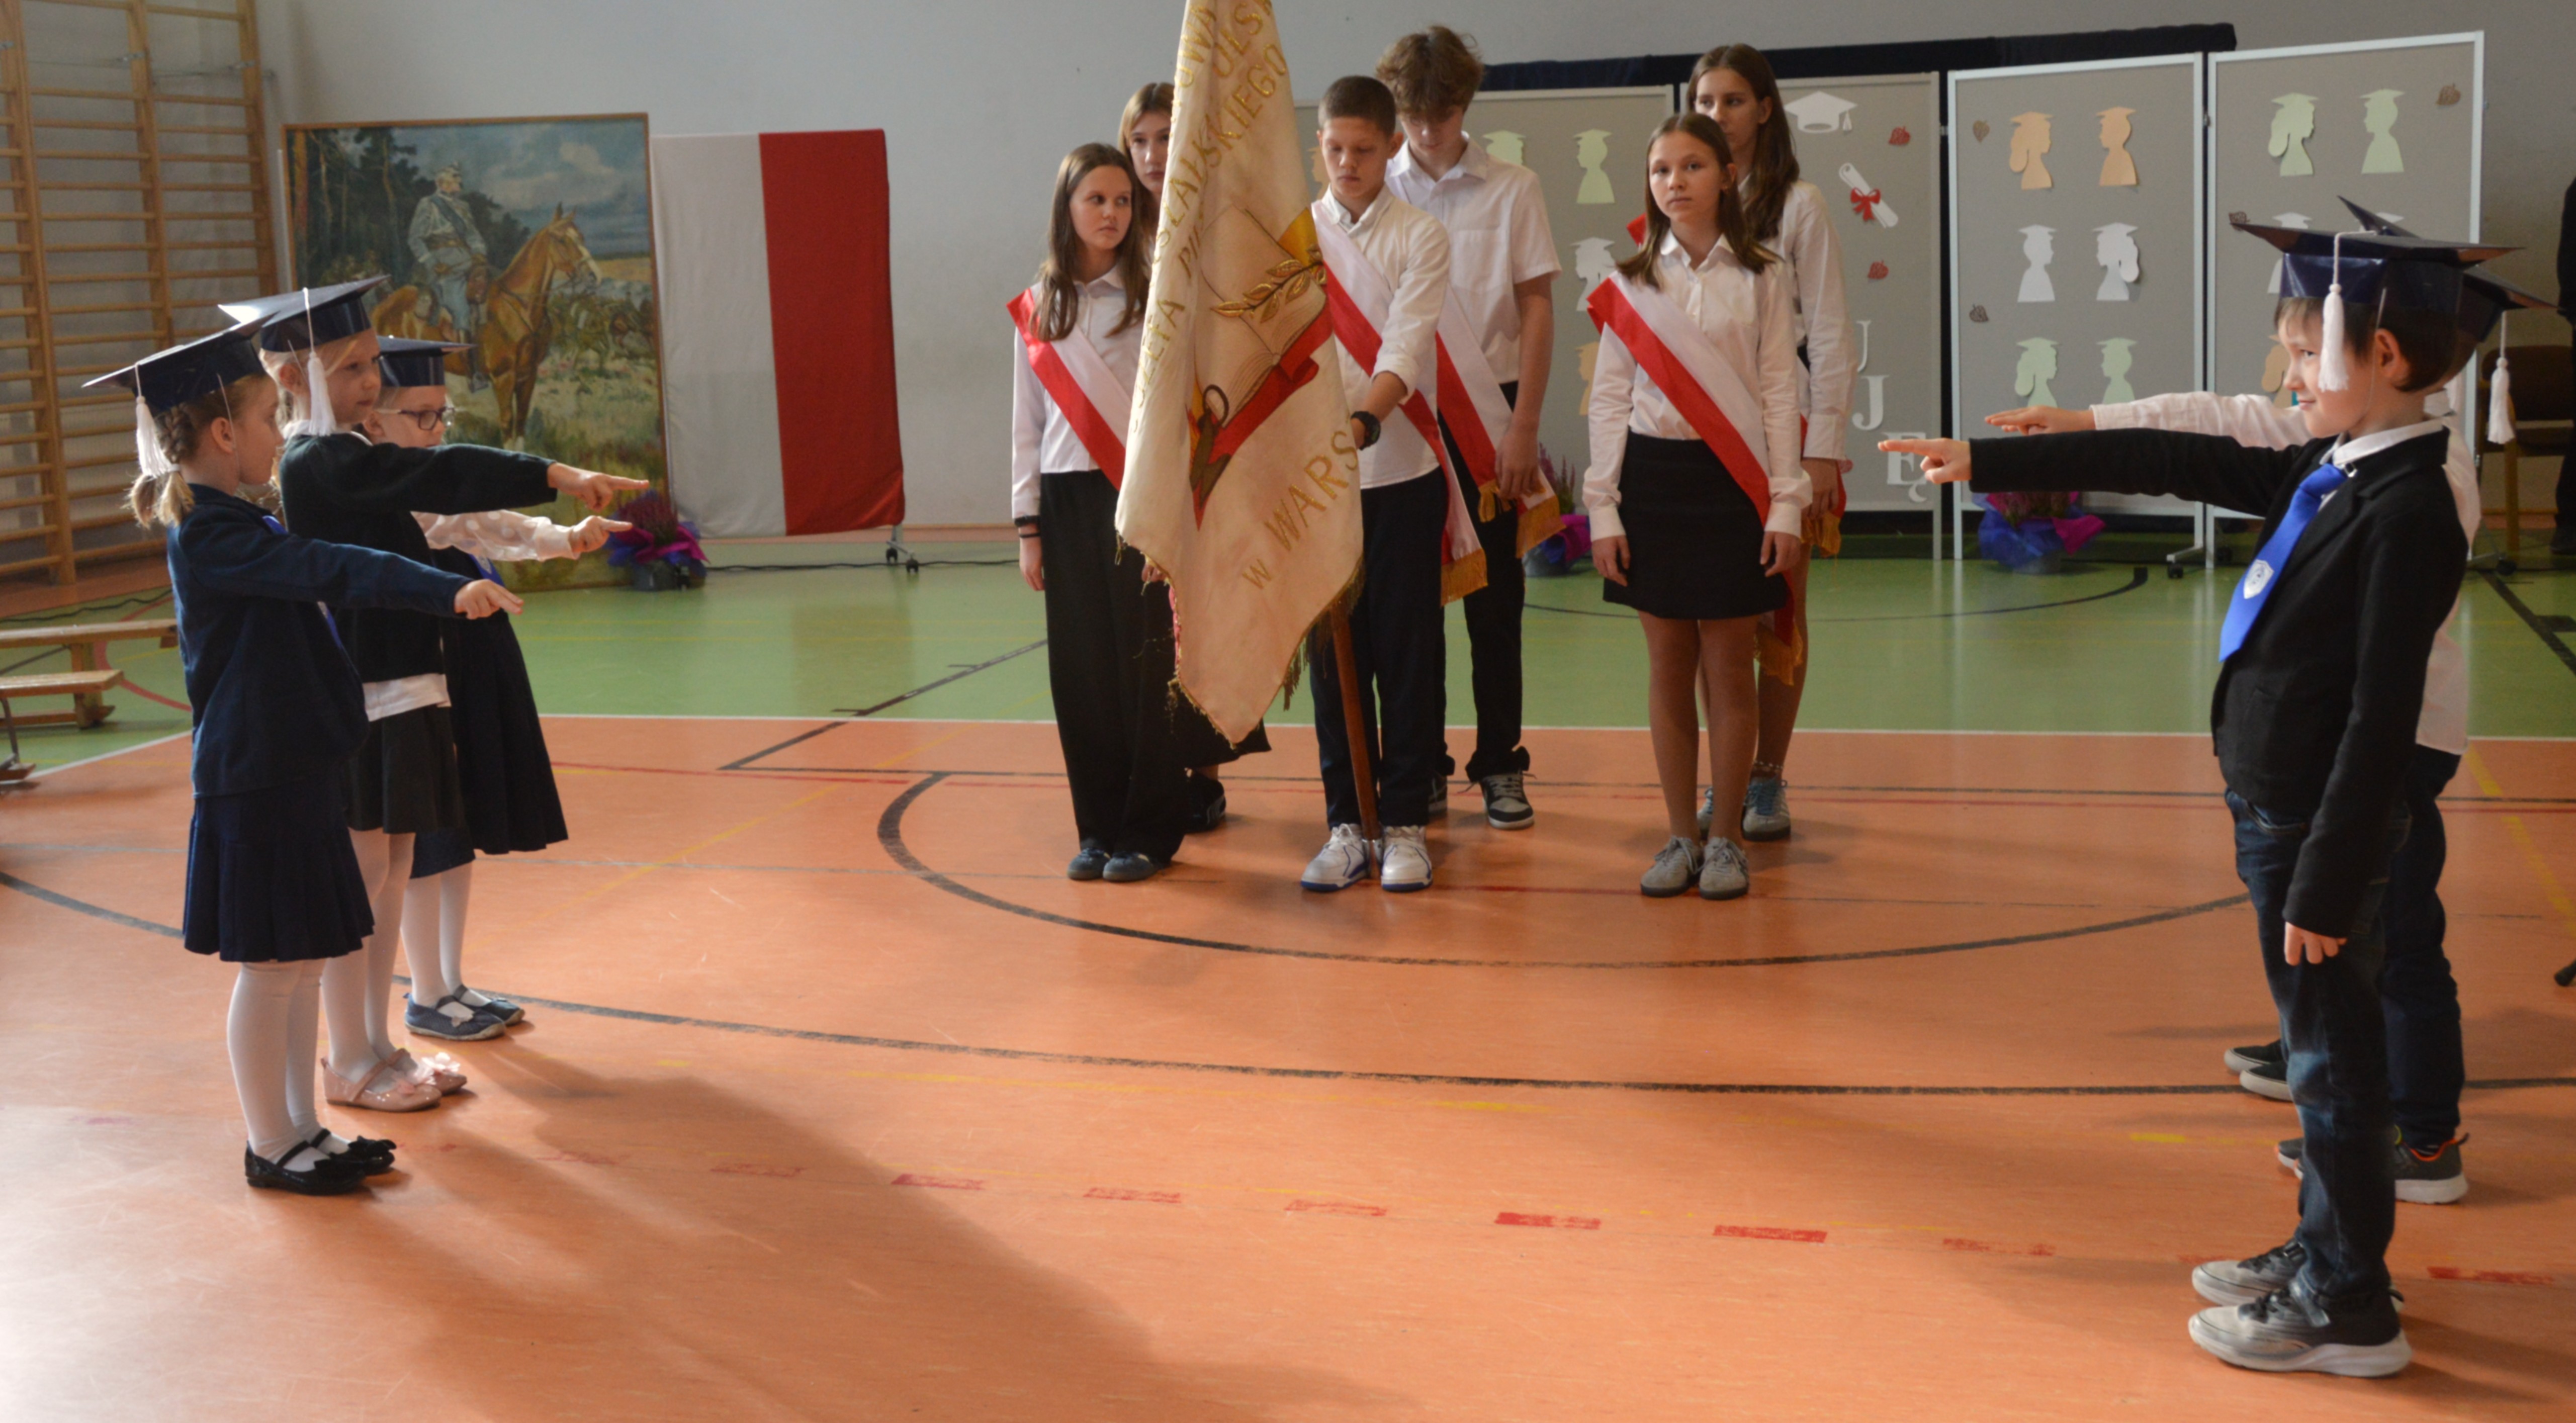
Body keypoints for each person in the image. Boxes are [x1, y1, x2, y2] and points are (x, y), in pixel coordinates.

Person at [1887, 219, 2541, 1377]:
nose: (2283, 376)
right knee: (2318, 1056)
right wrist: (1986, 461)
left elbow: (2380, 714)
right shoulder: (2339, 462)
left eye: (2299, 352)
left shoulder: (2407, 503)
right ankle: (2322, 1247)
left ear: (2381, 356)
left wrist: (2327, 877)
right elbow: (2182, 460)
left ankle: (2347, 1301)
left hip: (2311, 831)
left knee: (2332, 1065)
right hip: (2277, 809)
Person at [113, 319, 517, 1193]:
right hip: (254, 778)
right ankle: (272, 1142)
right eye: (269, 419)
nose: (279, 433)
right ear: (226, 434)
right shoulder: (213, 534)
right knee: (273, 972)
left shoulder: (237, 521)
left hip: (295, 770)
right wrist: (444, 588)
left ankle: (303, 1130)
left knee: (297, 966)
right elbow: (331, 565)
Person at [224, 278, 642, 1112]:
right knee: (365, 877)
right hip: (364, 694)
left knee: (394, 868)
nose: (370, 380)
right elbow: (443, 475)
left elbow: (446, 504)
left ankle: (380, 1045)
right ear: (296, 377)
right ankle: (349, 1056)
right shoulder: (319, 461)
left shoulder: (348, 452)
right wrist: (555, 472)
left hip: (409, 683)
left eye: (372, 362)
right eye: (351, 367)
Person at [364, 337, 627, 1045]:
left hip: (469, 649)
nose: (437, 429)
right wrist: (554, 533)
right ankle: (426, 990)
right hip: (421, 659)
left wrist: (563, 538)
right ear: (375, 421)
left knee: (460, 823)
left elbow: (480, 523)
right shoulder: (378, 489)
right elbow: (466, 517)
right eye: (421, 416)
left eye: (441, 413)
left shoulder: (427, 476)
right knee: (428, 834)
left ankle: (450, 980)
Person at [1584, 113, 1808, 901]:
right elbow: (1608, 400)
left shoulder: (1763, 276)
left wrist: (1785, 505)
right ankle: (1679, 833)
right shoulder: (1629, 284)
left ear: (1725, 176)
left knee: (1728, 668)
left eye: (1691, 166)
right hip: (1653, 483)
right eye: (1659, 170)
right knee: (1667, 667)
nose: (1673, 182)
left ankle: (1725, 842)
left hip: (1733, 487)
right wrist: (1602, 508)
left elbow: (1780, 394)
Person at [1009, 144, 1221, 882]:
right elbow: (1026, 424)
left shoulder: (1154, 295)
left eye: (1123, 201)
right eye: (1095, 200)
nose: (1110, 213)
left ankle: (1148, 832)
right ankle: (1097, 828)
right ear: (1066, 208)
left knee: (1145, 669)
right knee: (1083, 675)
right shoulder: (1038, 305)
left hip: (1139, 496)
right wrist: (1027, 526)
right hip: (1066, 503)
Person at [1379, 24, 1560, 831]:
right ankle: (1419, 763)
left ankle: (1499, 761)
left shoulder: (1512, 187)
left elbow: (1535, 306)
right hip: (1404, 415)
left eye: (1442, 113)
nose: (1427, 130)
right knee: (1412, 607)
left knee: (1495, 603)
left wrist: (1524, 427)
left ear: (1467, 103)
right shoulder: (1376, 191)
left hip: (1491, 412)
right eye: (1413, 115)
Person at [1686, 45, 1855, 844]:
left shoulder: (1798, 204)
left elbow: (1829, 332)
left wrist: (1822, 450)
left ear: (1762, 110)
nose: (1716, 115)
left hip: (1783, 437)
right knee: (1707, 615)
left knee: (1778, 610)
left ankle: (1765, 777)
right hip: (1701, 441)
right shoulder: (1683, 197)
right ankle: (1721, 776)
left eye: (1731, 101)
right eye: (1703, 101)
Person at [1300, 74, 1457, 894]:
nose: (1347, 163)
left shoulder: (1420, 235)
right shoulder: (1293, 238)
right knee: (1333, 662)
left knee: (1405, 653)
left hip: (1398, 474)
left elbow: (1405, 344)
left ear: (1392, 146)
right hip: (1316, 484)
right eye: (1334, 148)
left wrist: (1361, 422)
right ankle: (1345, 824)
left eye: (1363, 149)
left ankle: (1402, 825)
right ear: (1318, 147)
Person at [410, 162, 488, 386]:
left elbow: (473, 235)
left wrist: (479, 253)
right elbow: (415, 239)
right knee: (461, 308)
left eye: (459, 179)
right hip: (443, 264)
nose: (459, 184)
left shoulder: (463, 207)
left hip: (467, 260)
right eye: (455, 180)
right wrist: (433, 263)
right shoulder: (428, 205)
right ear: (442, 183)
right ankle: (473, 373)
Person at [1119, 83, 1172, 207]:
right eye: (1140, 141)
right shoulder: (1116, 216)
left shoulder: (1216, 211)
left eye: (1165, 138)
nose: (1152, 158)